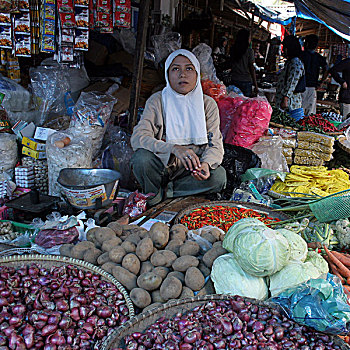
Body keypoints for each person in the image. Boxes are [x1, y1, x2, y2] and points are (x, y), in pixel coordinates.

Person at [130, 49, 227, 206]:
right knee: (141, 158)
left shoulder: (208, 105)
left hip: (191, 172)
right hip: (161, 166)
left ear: (197, 74)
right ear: (168, 74)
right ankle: (158, 190)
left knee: (219, 177)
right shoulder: (157, 101)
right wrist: (173, 148)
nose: (182, 74)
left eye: (189, 68)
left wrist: (206, 164)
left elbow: (215, 143)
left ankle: (164, 193)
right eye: (175, 69)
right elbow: (138, 138)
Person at [276, 35, 305, 116]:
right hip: (285, 100)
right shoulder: (290, 62)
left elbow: (292, 82)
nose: (283, 50)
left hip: (290, 103)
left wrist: (285, 98)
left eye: (285, 47)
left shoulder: (295, 62)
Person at [300, 34, 328, 116]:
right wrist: (321, 81)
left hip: (301, 87)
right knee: (309, 113)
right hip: (312, 87)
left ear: (306, 44)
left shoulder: (301, 55)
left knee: (299, 111)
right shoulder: (318, 57)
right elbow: (326, 69)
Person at [228, 29, 258, 97]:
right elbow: (251, 68)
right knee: (245, 104)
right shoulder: (249, 51)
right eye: (250, 37)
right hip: (246, 81)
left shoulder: (233, 49)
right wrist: (256, 85)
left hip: (234, 79)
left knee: (234, 103)